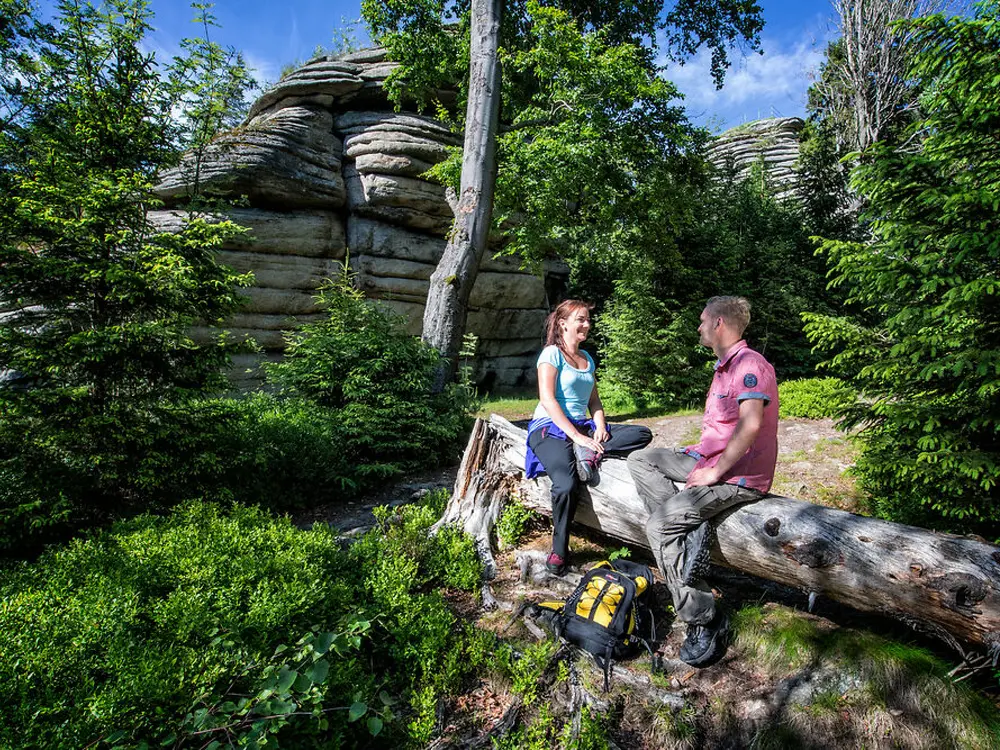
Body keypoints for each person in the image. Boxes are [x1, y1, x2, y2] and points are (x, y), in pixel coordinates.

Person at [627, 296, 778, 667]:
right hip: (707, 458)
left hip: (738, 474)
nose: (699, 327)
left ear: (719, 323)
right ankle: (689, 530)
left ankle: (704, 617)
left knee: (660, 526)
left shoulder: (750, 366)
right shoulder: (723, 367)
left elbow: (751, 425)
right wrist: (705, 463)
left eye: (702, 321)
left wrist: (714, 472)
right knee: (640, 459)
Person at [525, 299, 652, 575]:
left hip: (582, 427)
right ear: (563, 323)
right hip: (550, 427)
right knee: (566, 484)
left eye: (587, 320)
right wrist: (576, 436)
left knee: (642, 433)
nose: (586, 324)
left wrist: (600, 426)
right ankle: (559, 549)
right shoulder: (551, 354)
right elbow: (547, 399)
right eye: (580, 319)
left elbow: (594, 401)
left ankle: (586, 453)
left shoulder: (587, 359)